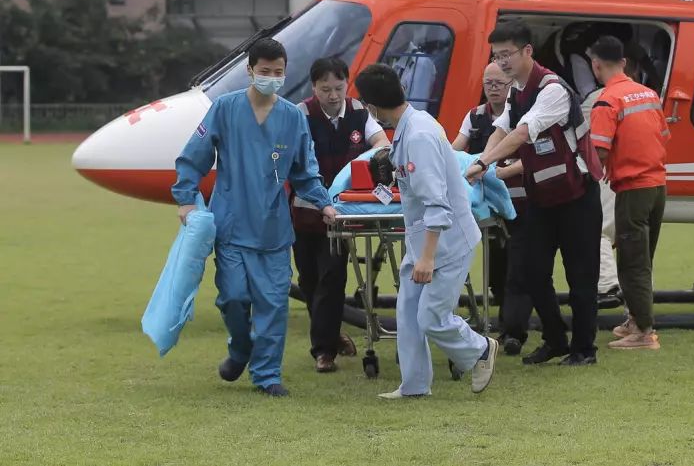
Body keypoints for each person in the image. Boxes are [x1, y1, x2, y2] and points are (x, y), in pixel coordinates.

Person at [173, 38, 338, 397]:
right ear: (249, 71)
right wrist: (186, 198)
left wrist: (324, 203)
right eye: (265, 72)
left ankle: (266, 376)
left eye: (278, 72)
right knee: (232, 297)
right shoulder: (225, 109)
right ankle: (240, 350)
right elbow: (193, 155)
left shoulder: (293, 117)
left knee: (273, 305)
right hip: (231, 224)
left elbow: (305, 172)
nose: (272, 78)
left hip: (273, 230)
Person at [354, 64, 498, 399]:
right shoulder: (409, 128)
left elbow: (438, 204)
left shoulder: (418, 135)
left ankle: (480, 350)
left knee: (431, 317)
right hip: (423, 240)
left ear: (373, 107)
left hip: (445, 242)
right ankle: (414, 386)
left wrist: (427, 258)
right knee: (408, 315)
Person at [465, 20, 603, 367]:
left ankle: (584, 349)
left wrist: (483, 164)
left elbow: (523, 133)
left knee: (580, 276)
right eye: (496, 55)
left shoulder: (552, 89)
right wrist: (477, 162)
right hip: (541, 197)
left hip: (577, 197)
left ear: (528, 51)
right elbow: (501, 129)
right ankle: (556, 339)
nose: (502, 62)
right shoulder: (516, 91)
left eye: (507, 54)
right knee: (530, 271)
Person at [292, 57, 390, 374]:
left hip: (341, 215)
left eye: (338, 87)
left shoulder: (360, 112)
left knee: (332, 278)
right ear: (313, 88)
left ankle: (324, 352)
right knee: (308, 280)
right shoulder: (300, 114)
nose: (333, 96)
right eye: (325, 89)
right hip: (305, 212)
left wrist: (368, 164)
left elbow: (381, 142)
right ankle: (332, 335)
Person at [587, 36, 670, 350]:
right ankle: (636, 319)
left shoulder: (607, 101)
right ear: (623, 62)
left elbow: (599, 153)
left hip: (633, 188)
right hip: (657, 185)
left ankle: (644, 333)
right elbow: (663, 135)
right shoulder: (647, 94)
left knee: (632, 261)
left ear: (596, 65)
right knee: (643, 256)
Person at [451, 62, 533, 355]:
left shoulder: (526, 116)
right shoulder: (474, 117)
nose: (493, 88)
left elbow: (534, 159)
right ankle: (502, 323)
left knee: (520, 267)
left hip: (522, 200)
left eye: (499, 82)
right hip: (488, 207)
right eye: (488, 83)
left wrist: (495, 173)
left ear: (512, 82)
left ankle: (514, 332)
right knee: (497, 268)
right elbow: (455, 149)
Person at [582, 49, 651, 309]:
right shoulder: (646, 94)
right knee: (633, 235)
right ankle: (638, 293)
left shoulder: (600, 99)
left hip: (609, 173)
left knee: (599, 229)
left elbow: (596, 147)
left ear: (596, 66)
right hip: (642, 174)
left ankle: (607, 285)